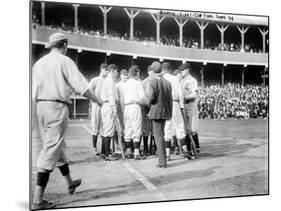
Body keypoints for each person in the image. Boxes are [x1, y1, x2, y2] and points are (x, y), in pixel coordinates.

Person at [32, 32, 103, 209]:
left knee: (57, 147)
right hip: (56, 107)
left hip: (39, 107)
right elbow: (81, 86)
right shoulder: (64, 61)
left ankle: (70, 182)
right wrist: (98, 100)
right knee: (51, 149)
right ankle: (38, 200)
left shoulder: (39, 63)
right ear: (64, 45)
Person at [146, 62, 173, 168]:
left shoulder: (152, 81)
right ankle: (163, 159)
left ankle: (162, 161)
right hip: (165, 112)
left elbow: (151, 98)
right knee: (162, 135)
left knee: (159, 137)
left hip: (156, 112)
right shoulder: (167, 82)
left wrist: (147, 104)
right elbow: (170, 100)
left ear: (153, 70)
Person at [161, 62, 186, 161]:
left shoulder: (161, 79)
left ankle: (167, 154)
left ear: (163, 69)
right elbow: (180, 93)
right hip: (175, 103)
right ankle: (184, 151)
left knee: (167, 128)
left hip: (165, 105)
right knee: (179, 126)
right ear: (170, 69)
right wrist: (182, 106)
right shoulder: (175, 78)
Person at [122, 65, 146, 159]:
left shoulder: (125, 83)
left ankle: (128, 151)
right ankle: (136, 153)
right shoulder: (137, 83)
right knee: (136, 128)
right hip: (135, 106)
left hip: (126, 107)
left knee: (128, 128)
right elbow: (142, 98)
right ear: (136, 73)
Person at [178, 62, 201, 156]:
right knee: (185, 128)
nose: (181, 71)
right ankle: (188, 149)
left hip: (191, 104)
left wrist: (184, 97)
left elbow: (194, 94)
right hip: (184, 105)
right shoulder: (180, 81)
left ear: (187, 70)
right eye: (180, 70)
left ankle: (197, 147)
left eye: (182, 70)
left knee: (193, 127)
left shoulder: (192, 80)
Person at [100, 64, 119, 161]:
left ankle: (104, 152)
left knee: (105, 129)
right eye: (116, 71)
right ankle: (107, 154)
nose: (117, 74)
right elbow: (111, 95)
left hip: (105, 105)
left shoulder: (106, 80)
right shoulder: (110, 81)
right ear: (113, 71)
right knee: (109, 130)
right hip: (109, 105)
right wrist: (114, 109)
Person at [88, 63, 109, 155]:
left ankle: (104, 149)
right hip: (97, 105)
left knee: (105, 127)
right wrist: (94, 99)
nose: (107, 71)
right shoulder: (95, 80)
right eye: (105, 70)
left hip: (105, 105)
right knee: (95, 126)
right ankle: (94, 148)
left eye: (108, 70)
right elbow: (89, 90)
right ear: (101, 70)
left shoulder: (109, 81)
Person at [141, 66, 153, 155]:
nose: (153, 73)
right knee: (145, 129)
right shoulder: (144, 82)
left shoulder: (156, 82)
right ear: (148, 72)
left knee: (154, 129)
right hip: (145, 107)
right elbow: (142, 96)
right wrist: (147, 104)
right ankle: (145, 149)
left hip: (154, 107)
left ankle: (154, 148)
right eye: (151, 71)